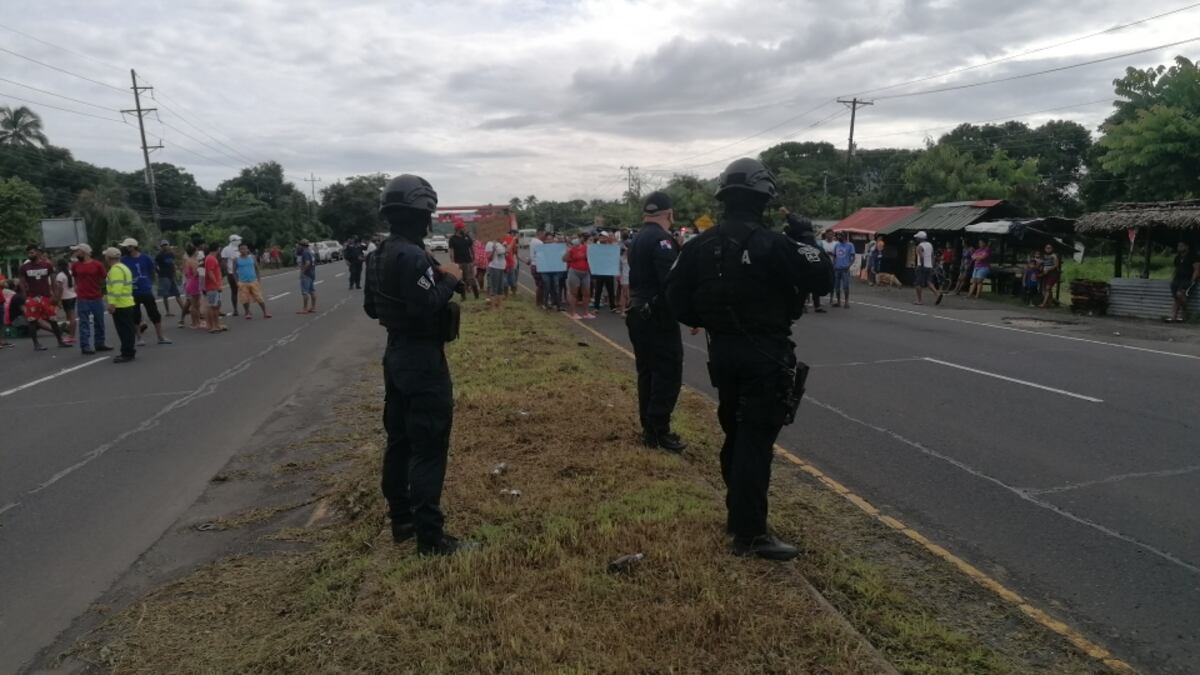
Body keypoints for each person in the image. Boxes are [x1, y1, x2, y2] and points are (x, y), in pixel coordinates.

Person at [666, 157, 831, 561]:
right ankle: (751, 534)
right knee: (755, 443)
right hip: (766, 354)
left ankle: (738, 516)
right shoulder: (778, 244)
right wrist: (807, 235)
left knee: (736, 436)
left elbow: (677, 302)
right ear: (764, 197)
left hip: (722, 353)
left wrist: (714, 319)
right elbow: (824, 278)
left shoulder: (697, 246)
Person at [364, 174, 476, 556]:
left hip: (395, 354)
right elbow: (427, 304)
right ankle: (431, 537)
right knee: (429, 445)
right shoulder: (412, 256)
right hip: (422, 359)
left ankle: (402, 519)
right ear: (423, 216)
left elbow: (370, 308)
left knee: (399, 440)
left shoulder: (378, 254)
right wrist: (450, 278)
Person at [627, 191, 686, 453]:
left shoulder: (638, 237)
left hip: (638, 312)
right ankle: (659, 430)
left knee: (647, 372)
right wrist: (688, 313)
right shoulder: (663, 240)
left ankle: (649, 429)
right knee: (667, 373)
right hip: (657, 316)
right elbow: (671, 284)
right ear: (669, 214)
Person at [120, 238, 171, 346]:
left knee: (154, 314)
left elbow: (152, 271)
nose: (125, 248)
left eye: (128, 246)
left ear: (133, 247)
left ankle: (160, 337)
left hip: (145, 290)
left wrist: (148, 283)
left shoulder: (146, 258)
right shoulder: (124, 260)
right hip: (132, 291)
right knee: (135, 315)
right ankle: (139, 338)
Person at [17, 244, 69, 351]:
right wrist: (25, 297)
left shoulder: (47, 265)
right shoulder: (24, 267)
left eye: (32, 252)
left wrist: (55, 296)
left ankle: (60, 341)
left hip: (46, 297)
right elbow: (21, 283)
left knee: (53, 319)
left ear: (38, 253)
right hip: (32, 297)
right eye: (28, 253)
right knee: (32, 321)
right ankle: (36, 344)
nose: (30, 254)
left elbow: (53, 281)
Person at [780, 209, 826, 313]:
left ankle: (813, 305)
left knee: (808, 284)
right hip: (800, 262)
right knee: (802, 285)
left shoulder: (805, 237)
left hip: (806, 262)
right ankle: (803, 304)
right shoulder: (787, 239)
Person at [70, 244, 112, 354]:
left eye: (77, 251)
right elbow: (75, 277)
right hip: (82, 298)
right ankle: (85, 346)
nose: (75, 253)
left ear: (84, 252)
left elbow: (105, 278)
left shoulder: (97, 265)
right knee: (84, 323)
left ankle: (100, 343)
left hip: (96, 297)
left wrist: (102, 292)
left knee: (99, 321)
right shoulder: (75, 265)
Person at [103, 247, 137, 363]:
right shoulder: (123, 267)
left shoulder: (115, 270)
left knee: (124, 331)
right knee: (128, 329)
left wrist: (112, 304)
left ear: (108, 257)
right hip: (126, 302)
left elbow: (117, 288)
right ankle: (128, 351)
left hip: (121, 304)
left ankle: (127, 353)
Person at [236, 242, 272, 319]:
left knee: (259, 297)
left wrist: (258, 279)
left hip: (253, 281)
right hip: (243, 282)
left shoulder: (252, 257)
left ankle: (265, 312)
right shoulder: (236, 259)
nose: (243, 250)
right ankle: (247, 312)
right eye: (241, 249)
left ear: (247, 249)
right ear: (239, 250)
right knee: (245, 299)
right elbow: (233, 271)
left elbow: (257, 268)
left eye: (245, 248)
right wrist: (237, 282)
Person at [564, 233, 593, 319]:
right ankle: (573, 313)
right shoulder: (572, 248)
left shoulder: (587, 248)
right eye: (589, 240)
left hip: (586, 273)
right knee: (574, 293)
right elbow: (564, 259)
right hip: (574, 272)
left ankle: (586, 313)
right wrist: (570, 254)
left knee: (587, 293)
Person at [1168, 240, 1199, 322]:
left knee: (1179, 294)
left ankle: (1185, 310)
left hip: (1187, 279)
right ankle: (1174, 317)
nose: (1179, 247)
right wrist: (1172, 278)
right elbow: (1176, 269)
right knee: (1176, 298)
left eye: (1181, 246)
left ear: (1187, 247)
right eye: (1179, 246)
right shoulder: (1177, 257)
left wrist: (1192, 280)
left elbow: (1197, 269)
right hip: (1177, 279)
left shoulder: (1193, 256)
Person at [448, 223, 479, 300]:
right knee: (461, 280)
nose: (464, 229)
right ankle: (463, 297)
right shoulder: (452, 239)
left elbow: (471, 248)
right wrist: (453, 263)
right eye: (463, 228)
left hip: (468, 261)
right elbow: (451, 252)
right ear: (458, 229)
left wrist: (474, 258)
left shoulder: (467, 237)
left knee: (471, 278)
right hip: (458, 262)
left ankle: (476, 295)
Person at [913, 232, 943, 306]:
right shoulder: (930, 245)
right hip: (929, 266)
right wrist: (932, 265)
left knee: (918, 283)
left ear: (920, 238)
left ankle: (919, 300)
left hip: (922, 266)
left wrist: (922, 265)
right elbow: (932, 256)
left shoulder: (919, 246)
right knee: (929, 282)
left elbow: (921, 257)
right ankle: (937, 294)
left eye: (917, 238)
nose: (916, 239)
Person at [155, 240, 184, 317]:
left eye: (166, 245)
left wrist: (175, 273)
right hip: (164, 276)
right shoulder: (159, 255)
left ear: (168, 245)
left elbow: (173, 264)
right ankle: (168, 312)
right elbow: (155, 266)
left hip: (171, 276)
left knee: (177, 293)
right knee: (165, 295)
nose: (165, 246)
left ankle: (184, 309)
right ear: (161, 247)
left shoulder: (171, 254)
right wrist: (159, 273)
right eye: (163, 245)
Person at [203, 241, 227, 333]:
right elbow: (210, 273)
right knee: (213, 307)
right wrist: (217, 284)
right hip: (213, 287)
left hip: (215, 286)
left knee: (217, 306)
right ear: (218, 248)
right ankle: (213, 326)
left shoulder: (212, 258)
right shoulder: (211, 259)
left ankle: (217, 325)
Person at [181, 243, 204, 329]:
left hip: (190, 282)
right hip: (194, 283)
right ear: (194, 251)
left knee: (195, 304)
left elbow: (186, 273)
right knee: (195, 305)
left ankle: (197, 322)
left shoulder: (188, 260)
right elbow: (196, 273)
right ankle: (195, 323)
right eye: (197, 250)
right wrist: (201, 270)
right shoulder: (194, 261)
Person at [55, 258, 77, 344]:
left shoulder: (60, 275)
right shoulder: (70, 273)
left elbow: (60, 288)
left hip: (66, 297)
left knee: (70, 316)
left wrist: (58, 299)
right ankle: (71, 334)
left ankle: (71, 336)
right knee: (70, 316)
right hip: (73, 295)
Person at [831, 231, 855, 308]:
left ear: (844, 236)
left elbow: (853, 257)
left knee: (845, 286)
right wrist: (834, 264)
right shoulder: (837, 245)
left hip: (845, 269)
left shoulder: (850, 245)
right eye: (838, 236)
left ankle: (846, 302)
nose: (838, 237)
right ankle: (838, 302)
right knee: (837, 287)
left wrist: (849, 265)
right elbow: (834, 256)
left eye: (840, 236)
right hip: (837, 269)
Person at [221, 234, 242, 316]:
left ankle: (246, 309)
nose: (239, 241)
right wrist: (226, 272)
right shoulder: (226, 249)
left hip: (241, 272)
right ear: (233, 241)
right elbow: (224, 262)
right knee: (234, 291)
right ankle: (235, 309)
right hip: (232, 273)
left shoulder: (240, 248)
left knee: (244, 290)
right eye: (238, 240)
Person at [485, 236, 508, 309]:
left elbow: (506, 255)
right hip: (494, 267)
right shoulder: (489, 243)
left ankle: (500, 305)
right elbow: (489, 258)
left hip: (501, 267)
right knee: (494, 287)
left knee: (500, 287)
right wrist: (494, 250)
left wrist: (505, 248)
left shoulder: (501, 244)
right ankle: (493, 306)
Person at [1038, 243, 1061, 309]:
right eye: (1046, 248)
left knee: (1047, 288)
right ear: (1045, 249)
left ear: (1052, 249)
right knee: (1048, 289)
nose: (1048, 249)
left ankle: (1043, 304)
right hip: (1046, 273)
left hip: (1053, 273)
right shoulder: (1044, 256)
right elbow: (1042, 264)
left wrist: (1048, 269)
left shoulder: (1054, 256)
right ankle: (1049, 303)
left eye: (1049, 248)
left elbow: (1056, 265)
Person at [298, 239, 317, 313]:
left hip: (307, 274)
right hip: (312, 272)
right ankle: (313, 307)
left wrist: (302, 272)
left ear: (302, 245)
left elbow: (307, 263)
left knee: (305, 292)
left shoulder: (305, 252)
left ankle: (305, 309)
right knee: (312, 290)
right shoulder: (310, 252)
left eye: (300, 245)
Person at [527, 229, 545, 307]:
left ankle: (539, 302)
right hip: (538, 265)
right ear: (540, 234)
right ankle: (539, 303)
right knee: (541, 285)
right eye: (544, 235)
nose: (544, 237)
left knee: (540, 285)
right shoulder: (539, 242)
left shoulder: (532, 241)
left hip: (534, 264)